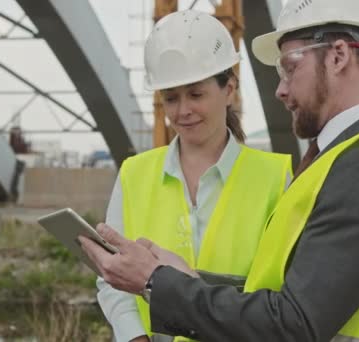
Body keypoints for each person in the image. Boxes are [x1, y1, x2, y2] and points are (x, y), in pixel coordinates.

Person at [82, 0, 359, 341]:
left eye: (290, 68)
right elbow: (284, 293)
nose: (279, 89)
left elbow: (292, 325)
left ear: (339, 56)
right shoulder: (338, 160)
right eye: (171, 97)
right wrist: (186, 279)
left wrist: (155, 281)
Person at [95, 10, 292, 342]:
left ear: (229, 90)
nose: (182, 111)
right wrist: (134, 337)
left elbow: (286, 294)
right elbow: (112, 278)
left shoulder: (277, 178)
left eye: (196, 95)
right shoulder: (134, 174)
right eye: (170, 98)